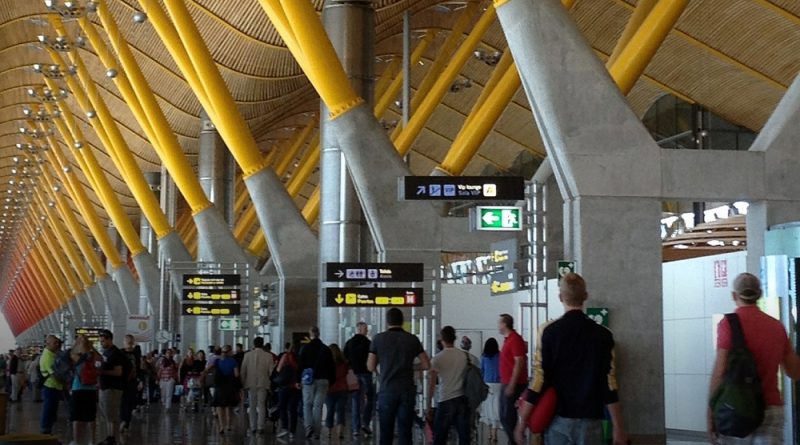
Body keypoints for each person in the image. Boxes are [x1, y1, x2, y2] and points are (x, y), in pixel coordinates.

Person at [515, 273, 628, 445]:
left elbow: (540, 380)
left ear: (560, 297)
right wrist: (618, 427)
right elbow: (609, 384)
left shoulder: (549, 333)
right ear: (586, 297)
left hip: (558, 420)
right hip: (591, 420)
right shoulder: (603, 335)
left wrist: (522, 422)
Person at [708, 273, 800, 444]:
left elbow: (719, 372)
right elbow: (795, 372)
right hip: (770, 408)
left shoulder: (728, 324)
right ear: (759, 294)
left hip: (735, 407)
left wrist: (710, 414)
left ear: (734, 295)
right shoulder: (776, 326)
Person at [368, 308, 430, 445]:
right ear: (402, 321)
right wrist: (411, 367)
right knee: (405, 432)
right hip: (407, 390)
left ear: (387, 321)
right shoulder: (412, 339)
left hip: (387, 390)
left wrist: (381, 372)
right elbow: (426, 364)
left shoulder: (378, 339)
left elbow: (370, 366)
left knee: (386, 433)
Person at [426, 326, 474, 445]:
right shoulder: (464, 356)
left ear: (442, 339)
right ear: (454, 338)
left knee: (440, 437)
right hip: (461, 399)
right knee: (464, 437)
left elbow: (432, 384)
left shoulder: (437, 358)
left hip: (445, 399)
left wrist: (428, 404)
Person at [298, 326, 334, 440]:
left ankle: (309, 427)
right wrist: (331, 381)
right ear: (319, 334)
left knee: (307, 404)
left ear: (310, 334)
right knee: (318, 406)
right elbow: (331, 367)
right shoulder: (326, 349)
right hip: (323, 380)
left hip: (308, 380)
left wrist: (297, 380)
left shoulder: (305, 348)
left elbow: (300, 366)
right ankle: (317, 432)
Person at [497, 313, 528, 445]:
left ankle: (516, 440)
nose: (498, 325)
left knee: (507, 416)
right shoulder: (508, 340)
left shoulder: (515, 339)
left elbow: (519, 362)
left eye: (499, 323)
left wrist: (512, 384)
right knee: (504, 416)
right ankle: (513, 440)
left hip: (513, 383)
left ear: (505, 324)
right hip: (507, 382)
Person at [97, 329, 130, 445]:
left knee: (112, 414)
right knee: (107, 414)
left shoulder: (115, 353)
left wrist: (102, 372)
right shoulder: (106, 352)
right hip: (105, 386)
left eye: (103, 341)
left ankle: (112, 437)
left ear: (109, 339)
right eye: (100, 341)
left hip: (112, 387)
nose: (101, 343)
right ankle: (109, 436)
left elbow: (118, 372)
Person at [69, 334, 102, 445]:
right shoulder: (93, 355)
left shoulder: (75, 355)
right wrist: (92, 347)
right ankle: (92, 441)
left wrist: (76, 344)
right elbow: (101, 360)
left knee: (76, 417)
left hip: (77, 388)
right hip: (91, 389)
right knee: (91, 417)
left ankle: (76, 441)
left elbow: (71, 358)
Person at [344, 321, 375, 438]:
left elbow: (345, 358)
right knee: (370, 398)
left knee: (355, 400)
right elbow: (373, 357)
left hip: (353, 374)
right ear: (360, 329)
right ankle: (365, 423)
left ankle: (355, 428)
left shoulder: (349, 343)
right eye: (365, 329)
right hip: (366, 373)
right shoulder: (369, 343)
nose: (367, 330)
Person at [240, 336, 275, 435]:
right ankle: (261, 427)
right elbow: (271, 372)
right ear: (263, 344)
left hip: (250, 383)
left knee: (252, 406)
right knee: (262, 405)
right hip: (263, 383)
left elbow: (243, 370)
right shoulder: (268, 356)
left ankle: (253, 427)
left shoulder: (247, 355)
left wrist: (243, 384)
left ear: (254, 344)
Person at [211, 345, 240, 434]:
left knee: (220, 406)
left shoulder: (217, 361)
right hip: (229, 385)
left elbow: (210, 369)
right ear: (230, 352)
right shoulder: (233, 361)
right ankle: (228, 425)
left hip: (219, 385)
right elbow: (236, 375)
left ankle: (221, 426)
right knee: (228, 406)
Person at [39, 335, 64, 435]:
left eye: (58, 342)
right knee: (48, 409)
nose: (57, 345)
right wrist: (65, 382)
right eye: (55, 343)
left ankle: (48, 430)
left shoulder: (53, 354)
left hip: (55, 387)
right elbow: (55, 374)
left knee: (52, 410)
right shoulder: (47, 356)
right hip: (50, 387)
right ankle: (45, 431)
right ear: (47, 343)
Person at [275, 343, 300, 440]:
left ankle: (285, 427)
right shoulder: (300, 358)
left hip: (285, 386)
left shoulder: (286, 356)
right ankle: (292, 432)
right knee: (293, 410)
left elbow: (278, 369)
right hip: (296, 386)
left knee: (283, 407)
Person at [325, 344, 349, 440]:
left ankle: (329, 432)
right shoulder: (344, 363)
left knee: (330, 410)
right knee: (340, 410)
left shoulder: (327, 364)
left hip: (330, 389)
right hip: (342, 389)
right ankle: (340, 431)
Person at [480, 338, 501, 442]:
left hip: (487, 384)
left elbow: (481, 371)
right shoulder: (500, 356)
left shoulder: (484, 357)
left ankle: (489, 433)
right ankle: (494, 434)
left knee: (488, 409)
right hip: (499, 385)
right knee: (495, 409)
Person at [120, 335, 141, 433]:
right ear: (124, 342)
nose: (129, 343)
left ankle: (126, 422)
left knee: (130, 402)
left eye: (130, 341)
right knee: (122, 402)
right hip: (122, 381)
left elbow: (138, 367)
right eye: (127, 341)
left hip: (132, 381)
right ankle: (123, 420)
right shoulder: (120, 353)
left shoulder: (136, 353)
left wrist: (139, 380)